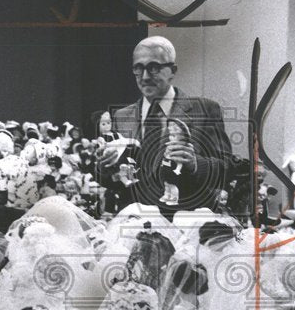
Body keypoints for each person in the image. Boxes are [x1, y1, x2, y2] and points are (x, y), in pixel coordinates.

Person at [95, 36, 233, 218]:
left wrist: (195, 164)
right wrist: (104, 168)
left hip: (187, 225)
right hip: (135, 224)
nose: (144, 77)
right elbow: (118, 180)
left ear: (172, 71)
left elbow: (228, 169)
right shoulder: (122, 116)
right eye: (138, 68)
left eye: (153, 67)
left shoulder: (205, 110)